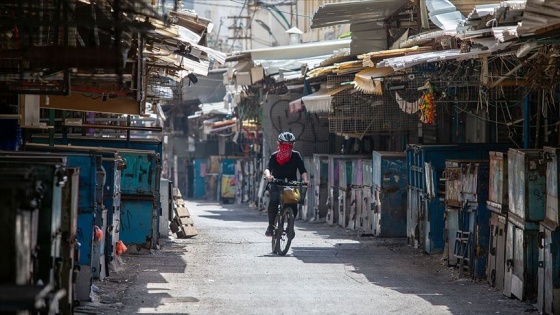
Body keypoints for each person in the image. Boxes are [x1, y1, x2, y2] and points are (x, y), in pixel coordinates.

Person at [263, 131, 309, 237]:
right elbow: (267, 169)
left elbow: (302, 170)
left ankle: (290, 225)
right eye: (284, 145)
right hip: (276, 182)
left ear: (293, 145)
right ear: (279, 144)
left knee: (293, 202)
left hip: (291, 183)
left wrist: (306, 180)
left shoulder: (296, 155)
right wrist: (269, 176)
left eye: (289, 145)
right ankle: (271, 226)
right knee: (274, 198)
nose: (286, 147)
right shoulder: (274, 156)